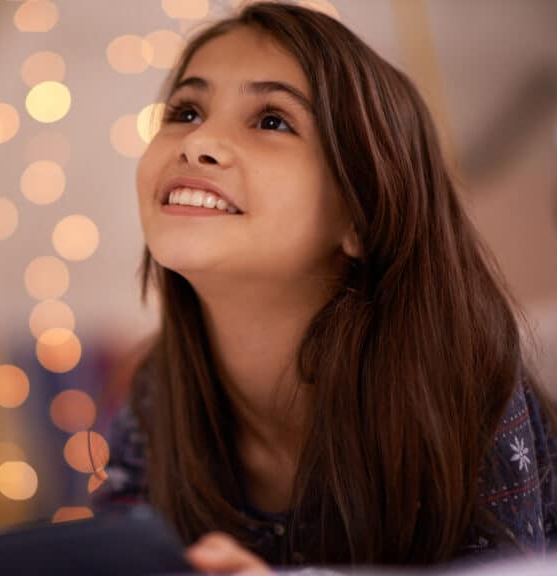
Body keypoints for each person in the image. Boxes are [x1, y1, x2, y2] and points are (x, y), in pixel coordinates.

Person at [92, 1, 557, 572]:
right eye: (186, 111)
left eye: (271, 121)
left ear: (360, 216)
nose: (198, 141)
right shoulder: (152, 404)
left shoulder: (464, 385)